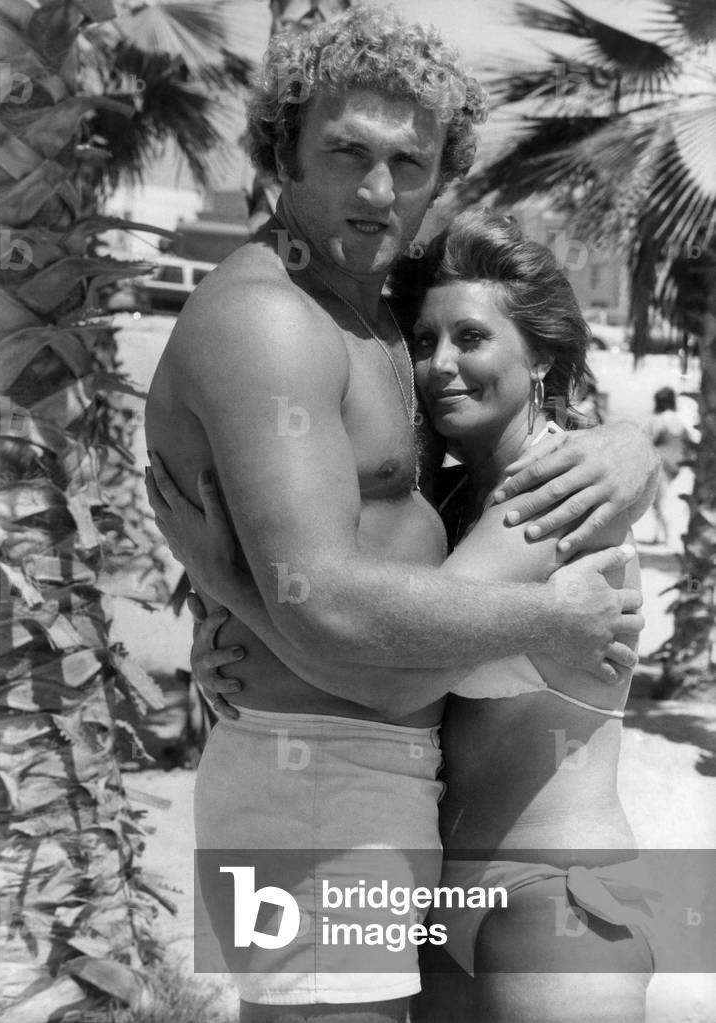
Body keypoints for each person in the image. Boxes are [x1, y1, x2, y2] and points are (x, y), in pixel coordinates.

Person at [145, 6, 657, 1019]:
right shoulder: (273, 318)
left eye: (409, 162)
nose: (378, 190)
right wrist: (549, 618)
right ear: (280, 150)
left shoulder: (373, 324)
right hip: (313, 795)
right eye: (347, 152)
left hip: (410, 820)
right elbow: (335, 612)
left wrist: (629, 445)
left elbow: (362, 601)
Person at [647, 386, 699, 548]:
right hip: (676, 466)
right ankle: (659, 535)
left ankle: (666, 538)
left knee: (658, 501)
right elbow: (691, 443)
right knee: (662, 499)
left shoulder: (658, 420)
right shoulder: (680, 420)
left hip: (660, 463)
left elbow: (648, 441)